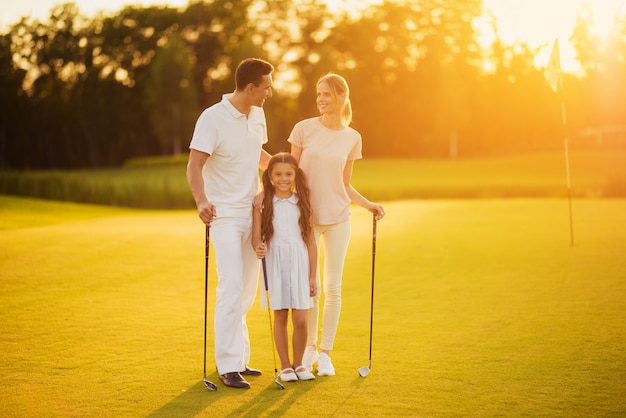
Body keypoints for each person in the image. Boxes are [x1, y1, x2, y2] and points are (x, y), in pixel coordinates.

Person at [289, 73, 385, 376]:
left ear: (341, 97)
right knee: (311, 288)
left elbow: (345, 184)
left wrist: (368, 204)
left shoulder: (352, 137)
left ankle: (326, 354)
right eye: (318, 94)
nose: (320, 100)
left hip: (339, 220)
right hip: (307, 221)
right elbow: (290, 176)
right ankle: (309, 350)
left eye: (326, 94)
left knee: (333, 287)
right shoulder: (303, 130)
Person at [186, 58, 274, 389]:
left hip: (253, 213)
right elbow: (194, 166)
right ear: (250, 88)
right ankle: (227, 365)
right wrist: (201, 201)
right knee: (231, 285)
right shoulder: (212, 118)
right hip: (222, 215)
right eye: (266, 87)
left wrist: (286, 166)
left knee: (247, 290)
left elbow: (258, 155)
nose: (270, 92)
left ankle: (239, 359)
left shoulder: (258, 114)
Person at [252, 152, 318, 382]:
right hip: (275, 262)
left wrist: (312, 276)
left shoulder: (302, 202)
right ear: (269, 176)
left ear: (295, 175)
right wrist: (258, 247)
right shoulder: (262, 203)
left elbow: (310, 242)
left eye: (288, 174)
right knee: (280, 316)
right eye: (278, 174)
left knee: (301, 319)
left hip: (300, 263)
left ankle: (299, 364)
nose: (283, 178)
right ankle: (285, 366)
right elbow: (256, 237)